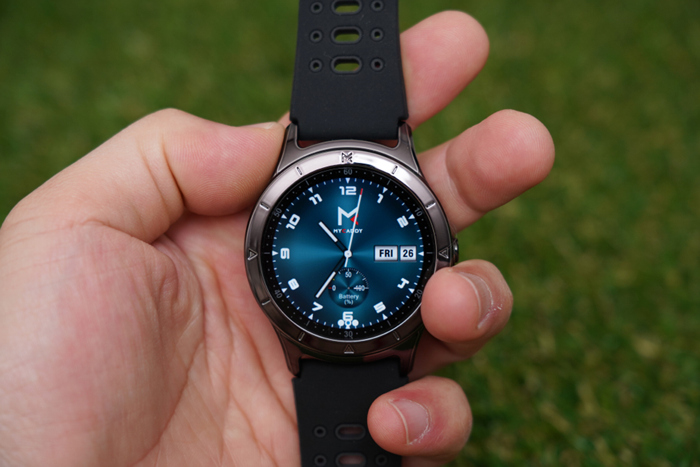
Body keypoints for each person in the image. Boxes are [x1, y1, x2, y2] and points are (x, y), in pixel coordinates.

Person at [0, 11, 554, 467]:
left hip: (356, 327)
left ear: (438, 249)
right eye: (338, 249)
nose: (348, 255)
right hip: (324, 333)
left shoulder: (307, 210)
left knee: (447, 316)